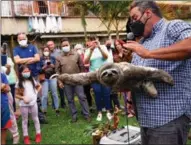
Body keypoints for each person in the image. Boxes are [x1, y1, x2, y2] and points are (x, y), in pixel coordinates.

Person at [122, 1, 191, 144]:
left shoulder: (172, 27)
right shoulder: (142, 42)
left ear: (147, 14)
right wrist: (130, 96)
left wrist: (148, 53)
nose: (133, 23)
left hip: (169, 119)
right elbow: (138, 74)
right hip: (146, 119)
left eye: (135, 18)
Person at [13, 32, 47, 124]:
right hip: (22, 77)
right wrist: (30, 59)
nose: (22, 40)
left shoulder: (32, 47)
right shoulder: (16, 49)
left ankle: (40, 118)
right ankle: (26, 119)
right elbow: (17, 61)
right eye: (20, 39)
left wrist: (23, 61)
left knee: (36, 96)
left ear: (26, 38)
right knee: (23, 95)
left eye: (23, 38)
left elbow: (37, 59)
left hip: (34, 74)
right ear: (18, 40)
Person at [56, 38, 90, 123]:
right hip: (66, 81)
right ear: (61, 46)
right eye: (63, 45)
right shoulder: (59, 57)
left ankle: (86, 115)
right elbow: (57, 71)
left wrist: (82, 78)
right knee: (70, 99)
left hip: (77, 80)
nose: (65, 46)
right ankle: (74, 115)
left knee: (82, 97)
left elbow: (81, 66)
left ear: (69, 45)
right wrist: (59, 81)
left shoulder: (76, 54)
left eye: (66, 45)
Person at [84, 36, 112, 121]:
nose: (93, 42)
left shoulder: (103, 47)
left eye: (95, 40)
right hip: (94, 75)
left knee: (106, 92)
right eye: (91, 40)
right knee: (97, 92)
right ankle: (99, 112)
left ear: (98, 41)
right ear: (89, 42)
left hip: (104, 74)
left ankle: (108, 111)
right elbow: (86, 62)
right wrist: (91, 50)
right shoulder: (88, 50)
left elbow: (106, 57)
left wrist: (99, 47)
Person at [15, 65, 42, 144]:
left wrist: (36, 93)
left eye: (28, 71)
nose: (27, 73)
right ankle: (26, 137)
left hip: (33, 103)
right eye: (25, 71)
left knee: (35, 118)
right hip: (23, 105)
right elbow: (15, 94)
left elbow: (39, 86)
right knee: (25, 120)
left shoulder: (32, 80)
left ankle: (38, 134)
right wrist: (23, 98)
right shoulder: (18, 83)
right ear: (20, 73)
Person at [40, 46, 60, 115]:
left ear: (49, 51)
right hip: (44, 78)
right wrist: (44, 67)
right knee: (44, 95)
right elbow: (38, 70)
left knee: (54, 94)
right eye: (45, 50)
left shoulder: (53, 58)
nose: (46, 52)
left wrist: (53, 66)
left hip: (52, 77)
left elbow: (56, 68)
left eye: (47, 50)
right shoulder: (40, 59)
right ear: (43, 51)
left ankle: (57, 109)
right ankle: (44, 110)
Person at [47, 40, 67, 109]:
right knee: (53, 90)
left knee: (61, 88)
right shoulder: (47, 53)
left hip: (59, 72)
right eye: (49, 45)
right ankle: (54, 104)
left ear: (54, 44)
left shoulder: (60, 52)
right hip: (51, 73)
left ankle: (63, 103)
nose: (50, 46)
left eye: (51, 44)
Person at [74, 43, 94, 112]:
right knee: (81, 93)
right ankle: (84, 107)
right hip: (79, 77)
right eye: (76, 49)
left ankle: (90, 105)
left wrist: (85, 66)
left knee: (87, 91)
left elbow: (90, 63)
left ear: (82, 49)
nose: (78, 50)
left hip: (86, 76)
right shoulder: (75, 57)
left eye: (79, 48)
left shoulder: (86, 55)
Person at [105, 40, 121, 111]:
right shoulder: (103, 51)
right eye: (107, 43)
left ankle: (117, 106)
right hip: (106, 72)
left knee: (114, 90)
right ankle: (110, 107)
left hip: (114, 72)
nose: (108, 44)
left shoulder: (113, 51)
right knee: (108, 91)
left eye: (109, 43)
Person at [1, 43, 17, 112]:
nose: (4, 50)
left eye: (5, 49)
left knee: (11, 99)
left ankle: (13, 113)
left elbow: (9, 71)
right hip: (4, 83)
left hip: (11, 81)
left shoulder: (9, 59)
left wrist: (9, 68)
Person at [1, 73, 12, 145]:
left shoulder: (2, 75)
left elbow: (8, 89)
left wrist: (3, 87)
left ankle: (3, 142)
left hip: (3, 104)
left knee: (4, 126)